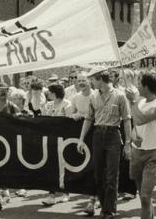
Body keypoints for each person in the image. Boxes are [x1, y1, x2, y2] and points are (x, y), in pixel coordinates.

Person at [77, 70, 132, 219]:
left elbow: (127, 120)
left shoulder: (120, 95)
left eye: (93, 80)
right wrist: (81, 139)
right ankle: (103, 207)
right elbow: (88, 118)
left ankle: (109, 211)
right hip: (98, 135)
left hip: (113, 134)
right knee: (99, 174)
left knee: (112, 175)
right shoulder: (93, 96)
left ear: (100, 79)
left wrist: (128, 143)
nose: (91, 83)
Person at [126, 73, 156, 219]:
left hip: (153, 154)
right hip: (137, 153)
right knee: (143, 196)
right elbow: (134, 127)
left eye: (139, 84)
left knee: (145, 196)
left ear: (146, 87)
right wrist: (132, 139)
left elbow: (140, 119)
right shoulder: (141, 102)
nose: (137, 87)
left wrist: (132, 102)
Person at [68, 73, 98, 216]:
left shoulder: (96, 95)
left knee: (96, 165)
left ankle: (95, 198)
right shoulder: (75, 97)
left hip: (96, 133)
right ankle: (92, 196)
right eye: (79, 80)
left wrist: (85, 115)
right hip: (81, 135)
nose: (81, 83)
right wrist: (75, 116)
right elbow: (71, 114)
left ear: (89, 81)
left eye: (84, 80)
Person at [41, 84, 73, 206]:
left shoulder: (67, 104)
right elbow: (44, 120)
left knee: (64, 166)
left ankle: (66, 193)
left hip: (64, 140)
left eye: (49, 92)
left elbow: (69, 123)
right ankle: (51, 194)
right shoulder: (48, 105)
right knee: (52, 167)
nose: (48, 94)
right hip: (51, 140)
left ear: (55, 93)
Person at [0, 83, 20, 210]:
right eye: (1, 91)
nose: (3, 93)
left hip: (9, 140)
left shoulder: (12, 106)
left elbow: (21, 118)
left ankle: (4, 193)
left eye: (5, 91)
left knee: (6, 166)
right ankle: (4, 193)